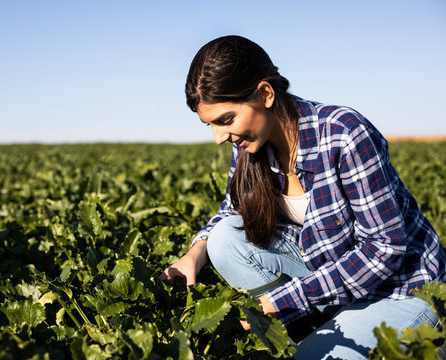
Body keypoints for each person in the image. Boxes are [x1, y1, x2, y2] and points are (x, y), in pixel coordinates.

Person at [159, 35, 446, 360]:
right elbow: (230, 212)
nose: (219, 137)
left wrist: (280, 301)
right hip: (329, 274)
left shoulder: (344, 134)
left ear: (266, 94)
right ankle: (312, 331)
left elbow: (385, 250)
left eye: (226, 120)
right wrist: (193, 255)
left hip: (399, 290)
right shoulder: (249, 146)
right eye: (209, 125)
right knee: (224, 238)